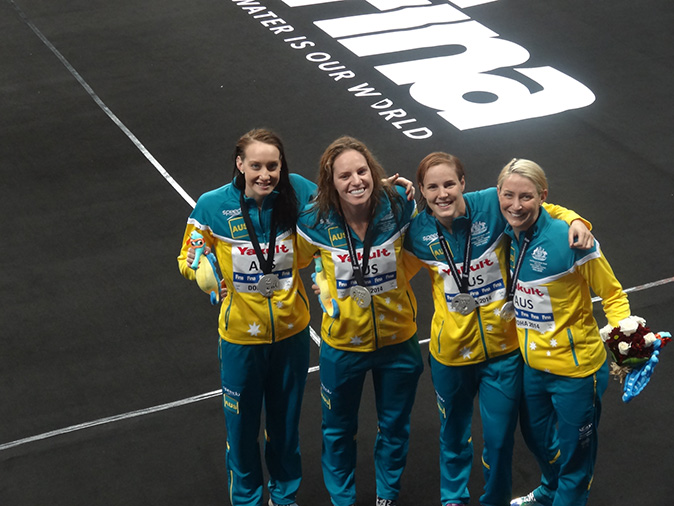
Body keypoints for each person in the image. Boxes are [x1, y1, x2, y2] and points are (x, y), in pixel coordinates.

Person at [403, 153, 594, 506]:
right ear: (422, 191)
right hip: (450, 355)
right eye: (432, 187)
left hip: (504, 353)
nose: (442, 194)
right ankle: (454, 500)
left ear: (463, 183)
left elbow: (542, 206)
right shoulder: (418, 231)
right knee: (454, 435)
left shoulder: (493, 203)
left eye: (449, 184)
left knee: (499, 439)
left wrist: (577, 219)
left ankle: (494, 501)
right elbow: (381, 256)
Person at [177, 129, 317, 506]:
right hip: (241, 337)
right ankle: (247, 500)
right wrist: (200, 270)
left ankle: (284, 498)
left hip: (292, 333)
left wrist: (382, 191)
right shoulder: (212, 206)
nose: (265, 175)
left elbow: (339, 214)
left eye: (273, 166)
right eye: (255, 166)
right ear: (240, 164)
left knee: (285, 427)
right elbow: (187, 256)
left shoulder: (299, 192)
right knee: (241, 430)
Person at [295, 136, 424, 506]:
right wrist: (321, 279)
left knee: (395, 426)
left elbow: (430, 237)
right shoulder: (314, 221)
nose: (356, 181)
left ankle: (387, 495)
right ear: (330, 182)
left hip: (399, 342)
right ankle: (343, 499)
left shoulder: (398, 207)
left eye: (362, 172)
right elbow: (296, 260)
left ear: (374, 172)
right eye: (345, 175)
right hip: (343, 346)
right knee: (338, 431)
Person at [496, 159, 631, 506]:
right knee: (538, 439)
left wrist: (625, 336)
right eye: (508, 195)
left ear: (542, 196)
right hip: (533, 365)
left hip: (577, 370)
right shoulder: (505, 227)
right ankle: (548, 491)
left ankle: (565, 495)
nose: (515, 205)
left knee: (575, 457)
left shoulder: (571, 238)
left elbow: (612, 293)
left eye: (526, 197)